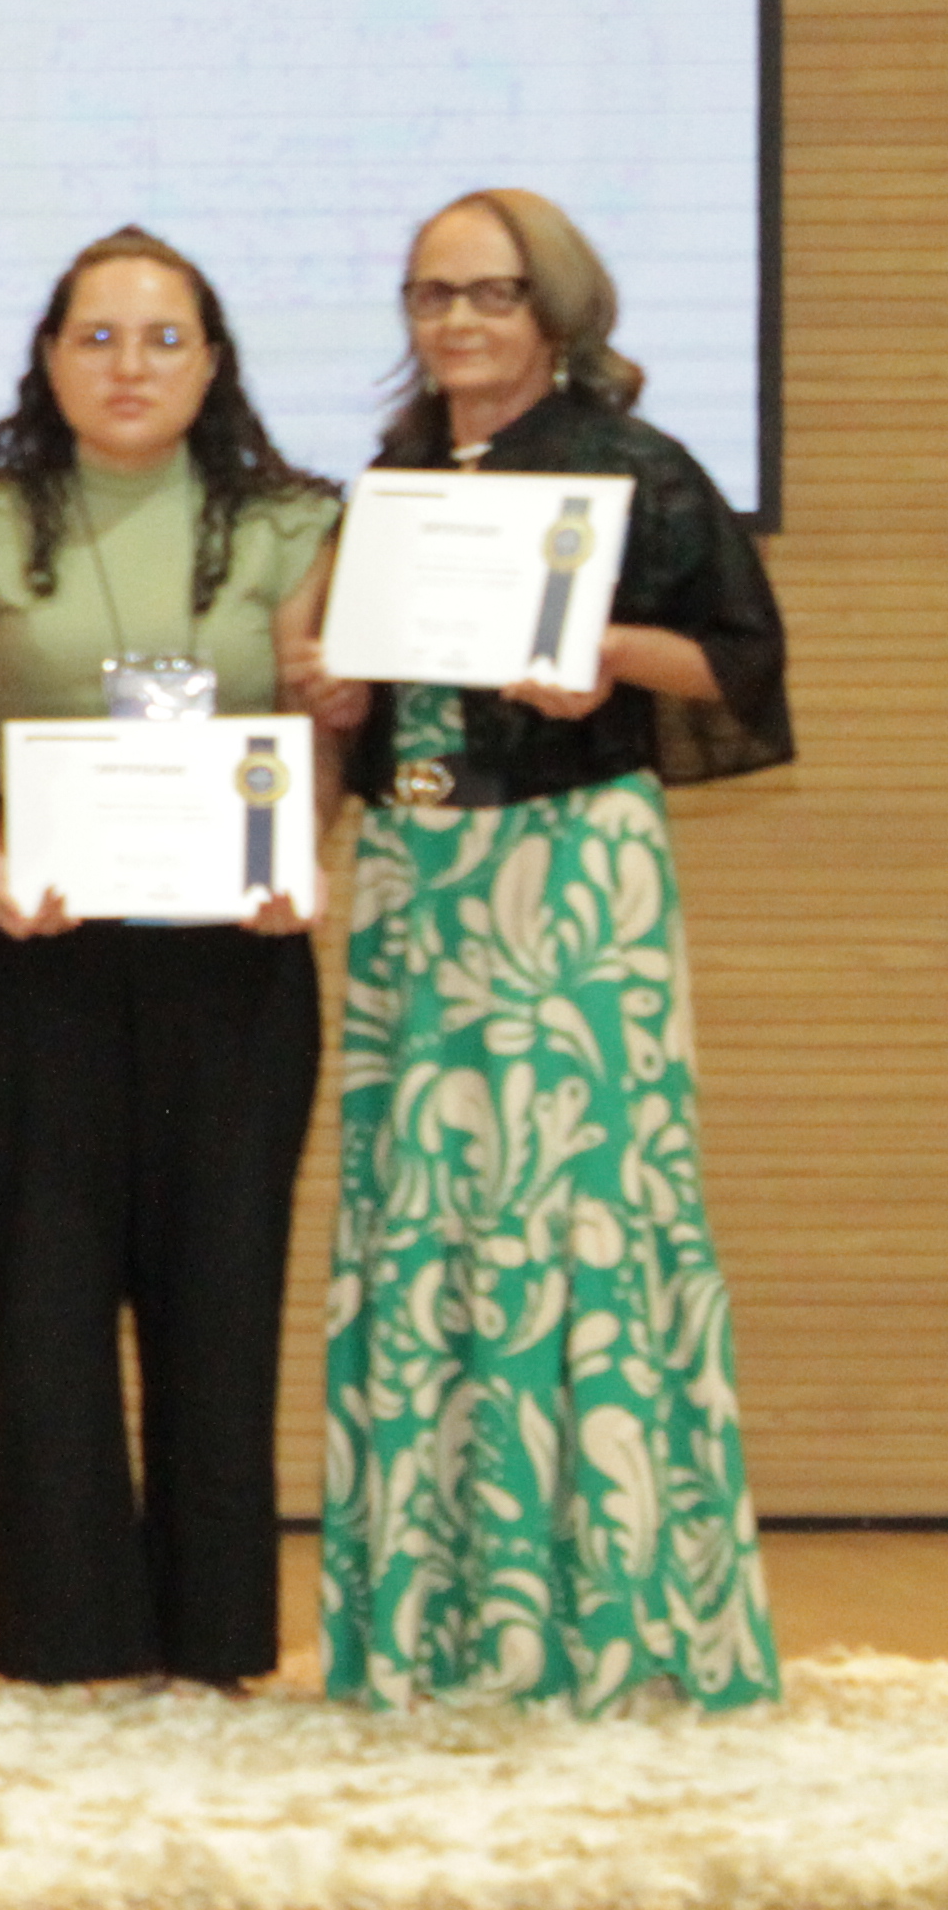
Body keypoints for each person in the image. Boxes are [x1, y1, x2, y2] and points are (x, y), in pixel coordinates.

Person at [291, 188, 788, 1713]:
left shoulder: (634, 466)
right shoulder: (393, 481)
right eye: (431, 294)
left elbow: (741, 664)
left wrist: (604, 655)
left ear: (555, 312)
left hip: (571, 877)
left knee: (575, 1226)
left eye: (489, 294)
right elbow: (378, 695)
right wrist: (337, 693)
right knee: (431, 1230)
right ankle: (441, 1626)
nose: (455, 321)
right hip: (417, 883)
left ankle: (611, 1625)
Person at [0, 229, 340, 1689]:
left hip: (235, 958)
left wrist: (301, 860)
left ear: (213, 362)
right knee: (47, 1295)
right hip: (39, 952)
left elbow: (316, 730)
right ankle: (69, 1636)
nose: (129, 366)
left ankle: (217, 1633)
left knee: (223, 1289)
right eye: (96, 337)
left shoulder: (290, 524)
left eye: (164, 338)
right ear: (48, 358)